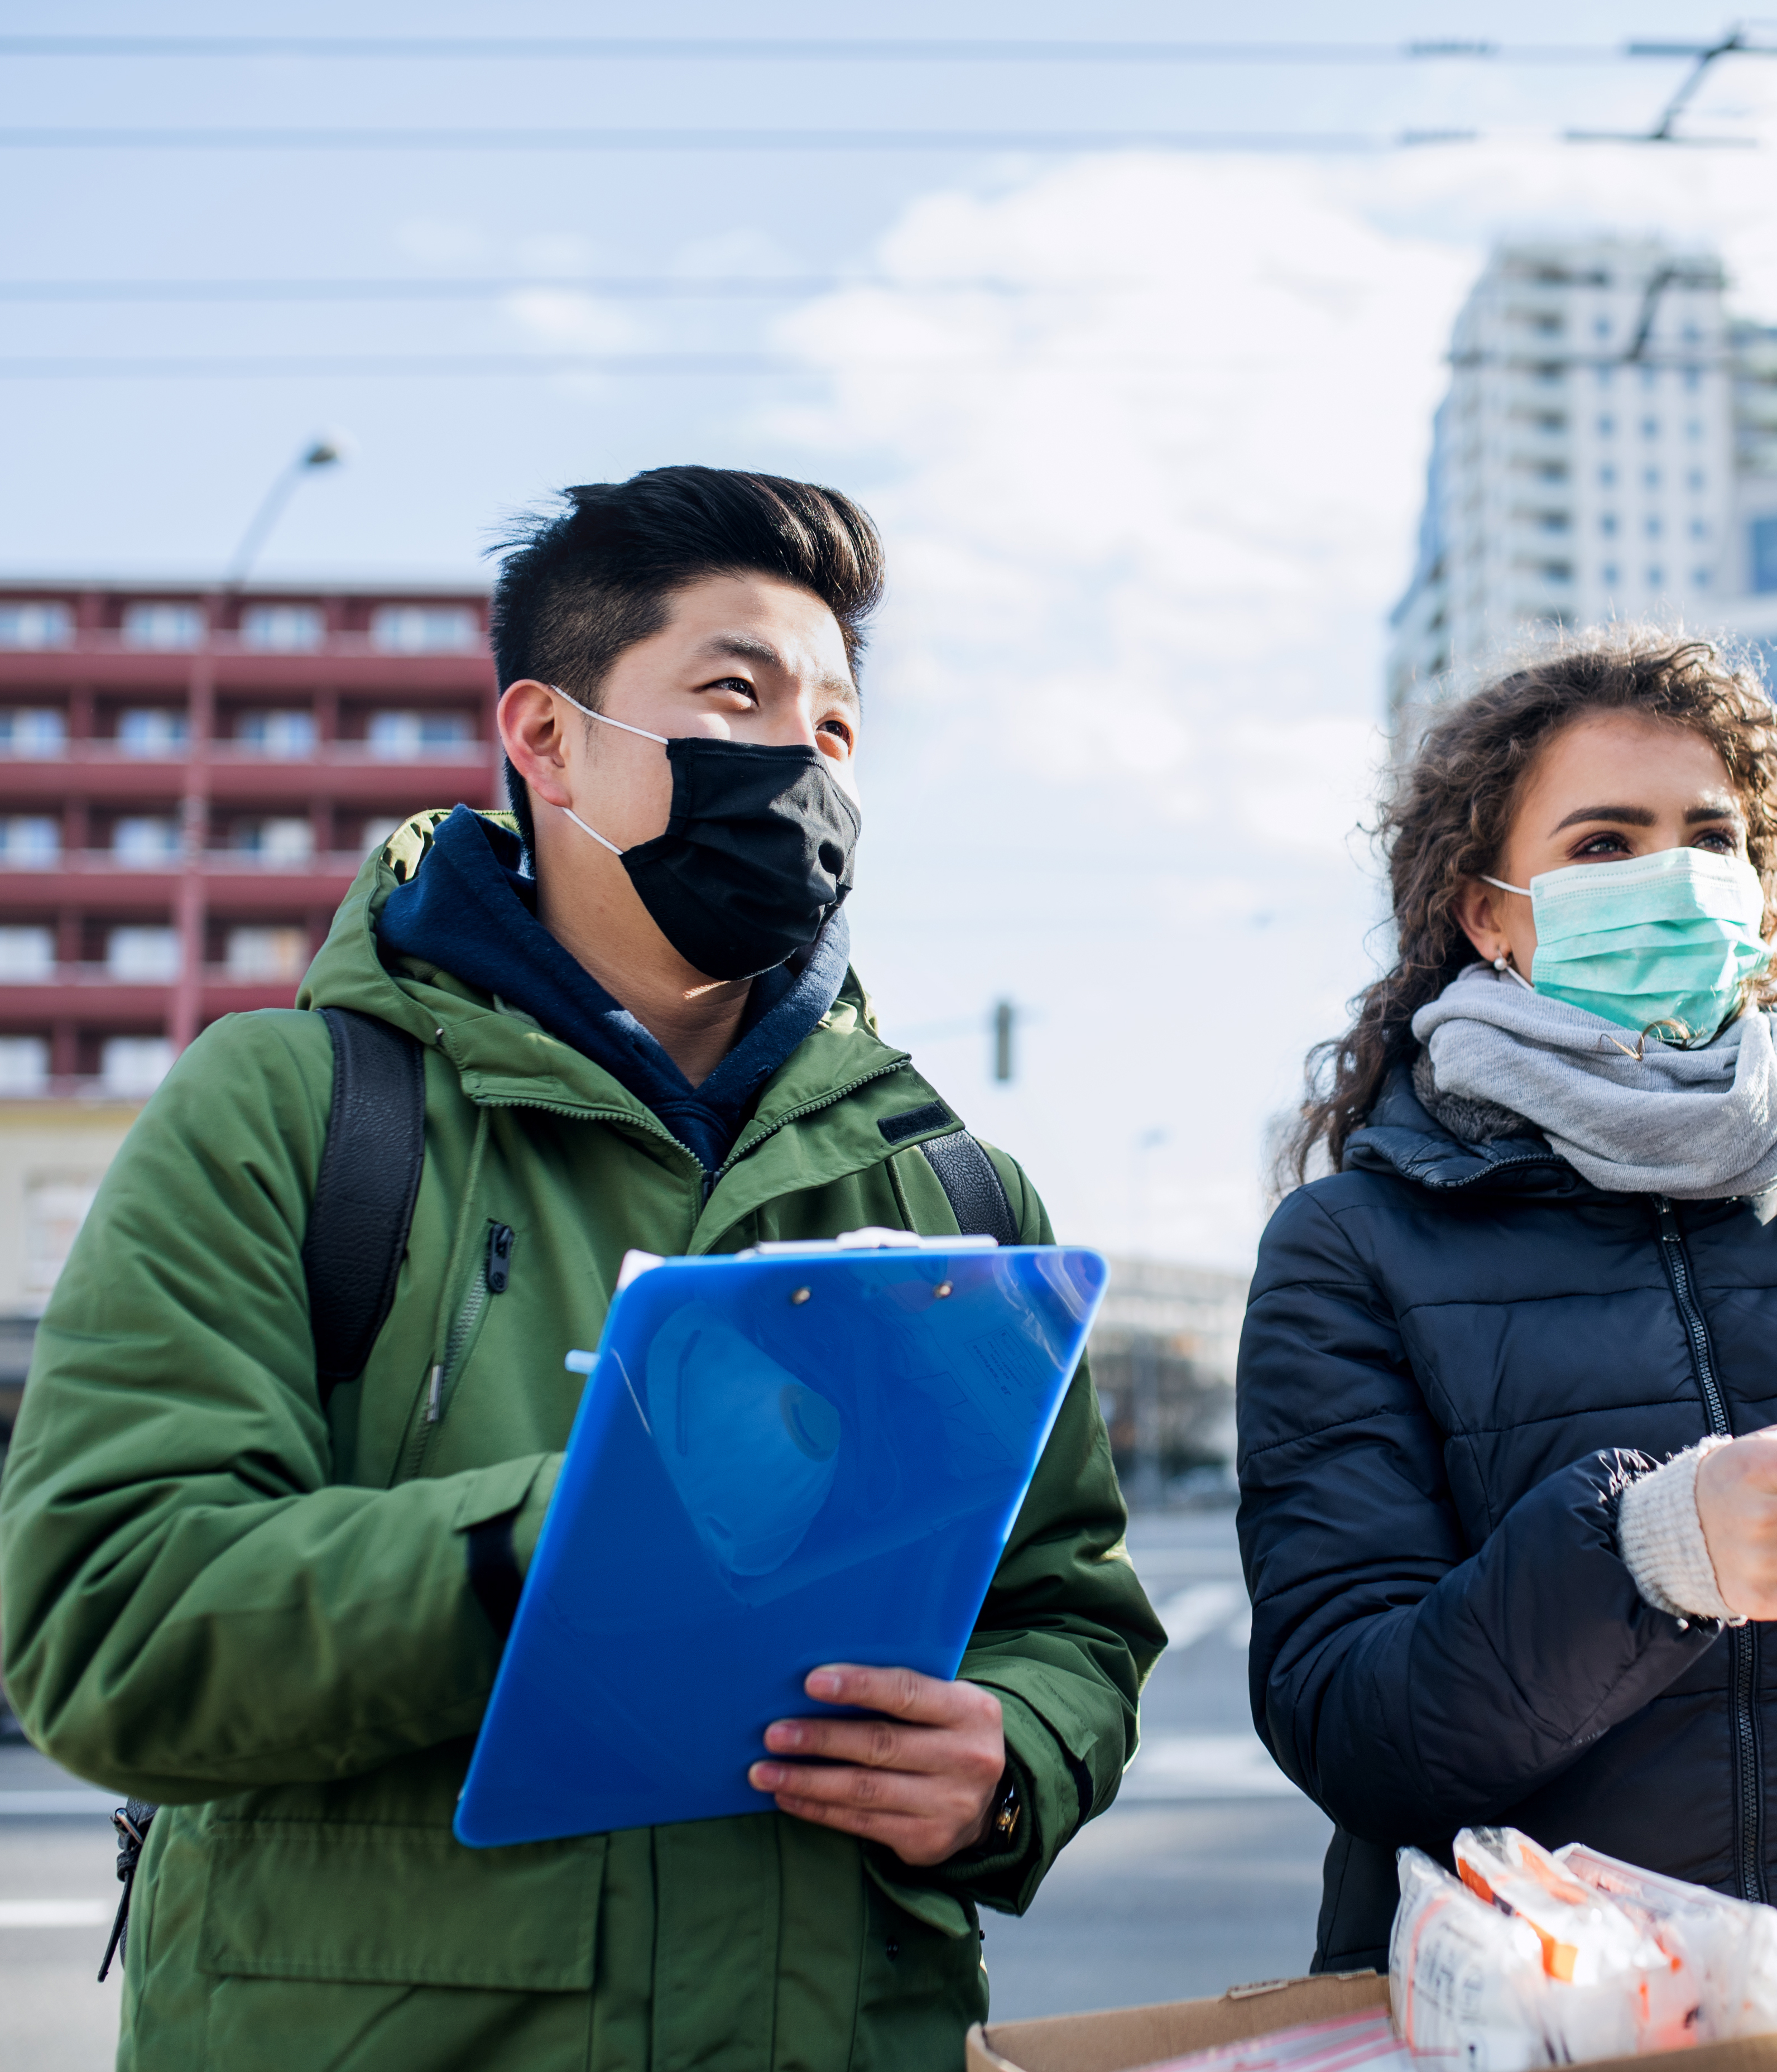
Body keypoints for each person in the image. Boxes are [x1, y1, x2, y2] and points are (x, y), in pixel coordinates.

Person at [0, 465, 1162, 2071]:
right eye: (735, 695)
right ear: (545, 739)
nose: (801, 766)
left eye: (833, 730)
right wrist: (560, 1536)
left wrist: (1011, 1759)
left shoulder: (955, 1189)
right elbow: (108, 1622)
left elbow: (1070, 1613)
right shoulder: (291, 1110)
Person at [1236, 634, 1777, 2066]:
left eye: (1711, 839)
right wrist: (1645, 1555)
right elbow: (1351, 1720)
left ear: (1760, 904)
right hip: (1552, 2033)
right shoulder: (1353, 1243)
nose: (1670, 877)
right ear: (1487, 913)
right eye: (1604, 842)